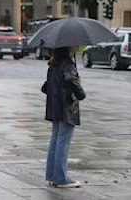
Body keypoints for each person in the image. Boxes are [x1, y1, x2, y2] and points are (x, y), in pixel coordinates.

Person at [41, 46, 86, 188]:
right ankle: (61, 178)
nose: (77, 46)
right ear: (68, 47)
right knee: (63, 142)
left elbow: (45, 87)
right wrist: (80, 94)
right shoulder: (67, 63)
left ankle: (53, 175)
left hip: (55, 107)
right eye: (74, 44)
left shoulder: (54, 63)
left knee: (55, 140)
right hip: (66, 107)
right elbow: (70, 80)